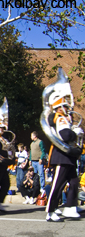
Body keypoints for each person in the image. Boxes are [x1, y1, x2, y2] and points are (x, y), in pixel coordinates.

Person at [44, 78, 82, 222]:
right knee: (57, 184)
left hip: (68, 156)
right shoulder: (60, 118)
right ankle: (50, 211)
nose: (68, 108)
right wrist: (75, 132)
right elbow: (65, 135)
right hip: (61, 155)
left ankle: (70, 207)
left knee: (73, 182)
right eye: (65, 105)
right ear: (59, 106)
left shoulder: (65, 118)